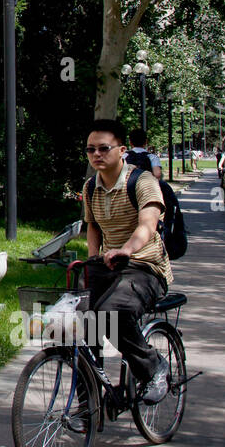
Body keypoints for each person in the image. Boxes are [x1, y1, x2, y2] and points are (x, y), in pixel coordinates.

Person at [81, 119, 173, 405]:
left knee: (112, 313)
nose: (96, 154)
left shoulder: (142, 181)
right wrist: (93, 260)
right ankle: (88, 403)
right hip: (110, 266)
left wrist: (127, 250)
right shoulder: (90, 187)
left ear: (121, 150)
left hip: (145, 267)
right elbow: (93, 226)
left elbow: (147, 225)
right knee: (77, 321)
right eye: (90, 149)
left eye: (104, 148)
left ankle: (153, 368)